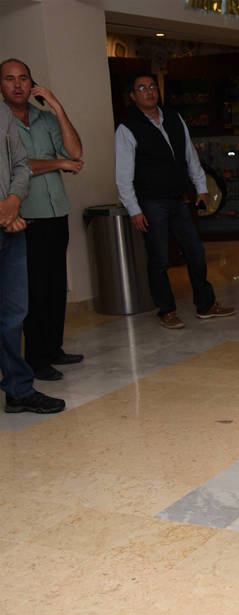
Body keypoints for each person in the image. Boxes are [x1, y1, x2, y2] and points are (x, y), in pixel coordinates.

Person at [115, 73, 234, 329]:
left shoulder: (173, 117)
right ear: (133, 96)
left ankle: (206, 305)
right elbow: (123, 175)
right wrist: (134, 209)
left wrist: (201, 187)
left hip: (180, 199)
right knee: (159, 259)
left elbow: (190, 155)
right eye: (142, 88)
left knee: (196, 252)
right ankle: (166, 310)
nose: (149, 91)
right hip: (151, 202)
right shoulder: (127, 128)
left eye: (152, 87)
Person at [0, 59, 84, 382]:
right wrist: (58, 162)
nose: (18, 85)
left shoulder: (45, 118)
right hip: (24, 215)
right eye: (10, 79)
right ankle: (35, 358)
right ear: (2, 85)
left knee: (54, 284)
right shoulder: (4, 121)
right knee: (32, 289)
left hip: (55, 210)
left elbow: (76, 152)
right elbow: (22, 166)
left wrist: (58, 108)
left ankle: (53, 348)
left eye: (23, 79)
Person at [0, 101, 63, 413]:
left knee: (13, 315)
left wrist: (12, 202)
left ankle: (18, 391)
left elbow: (21, 164)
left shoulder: (2, 114)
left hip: (10, 224)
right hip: (6, 219)